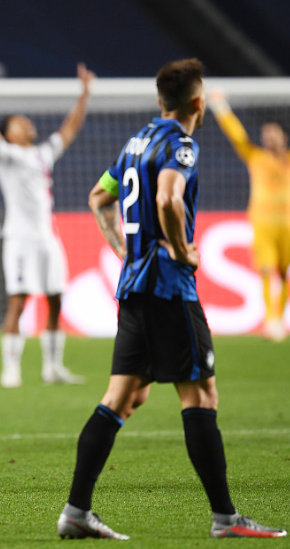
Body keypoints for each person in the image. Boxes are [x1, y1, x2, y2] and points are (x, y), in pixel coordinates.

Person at [57, 59, 286, 540]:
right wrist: (183, 251)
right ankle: (226, 519)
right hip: (168, 287)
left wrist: (124, 251)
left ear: (161, 100)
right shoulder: (181, 145)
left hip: (133, 286)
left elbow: (99, 197)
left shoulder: (135, 143)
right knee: (200, 394)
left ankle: (76, 512)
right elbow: (167, 198)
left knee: (122, 397)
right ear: (198, 103)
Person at [0, 63, 93, 388]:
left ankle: (53, 368)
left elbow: (69, 128)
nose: (28, 124)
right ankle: (11, 369)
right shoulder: (8, 155)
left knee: (56, 300)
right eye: (20, 122)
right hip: (20, 239)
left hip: (47, 238)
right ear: (9, 133)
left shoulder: (43, 153)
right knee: (18, 301)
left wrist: (84, 93)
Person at [208, 91, 290, 341]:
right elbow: (237, 136)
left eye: (273, 133)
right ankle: (271, 321)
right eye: (266, 134)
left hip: (288, 224)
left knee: (284, 273)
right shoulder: (256, 157)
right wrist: (221, 107)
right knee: (266, 270)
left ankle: (278, 317)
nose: (269, 137)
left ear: (284, 136)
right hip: (263, 222)